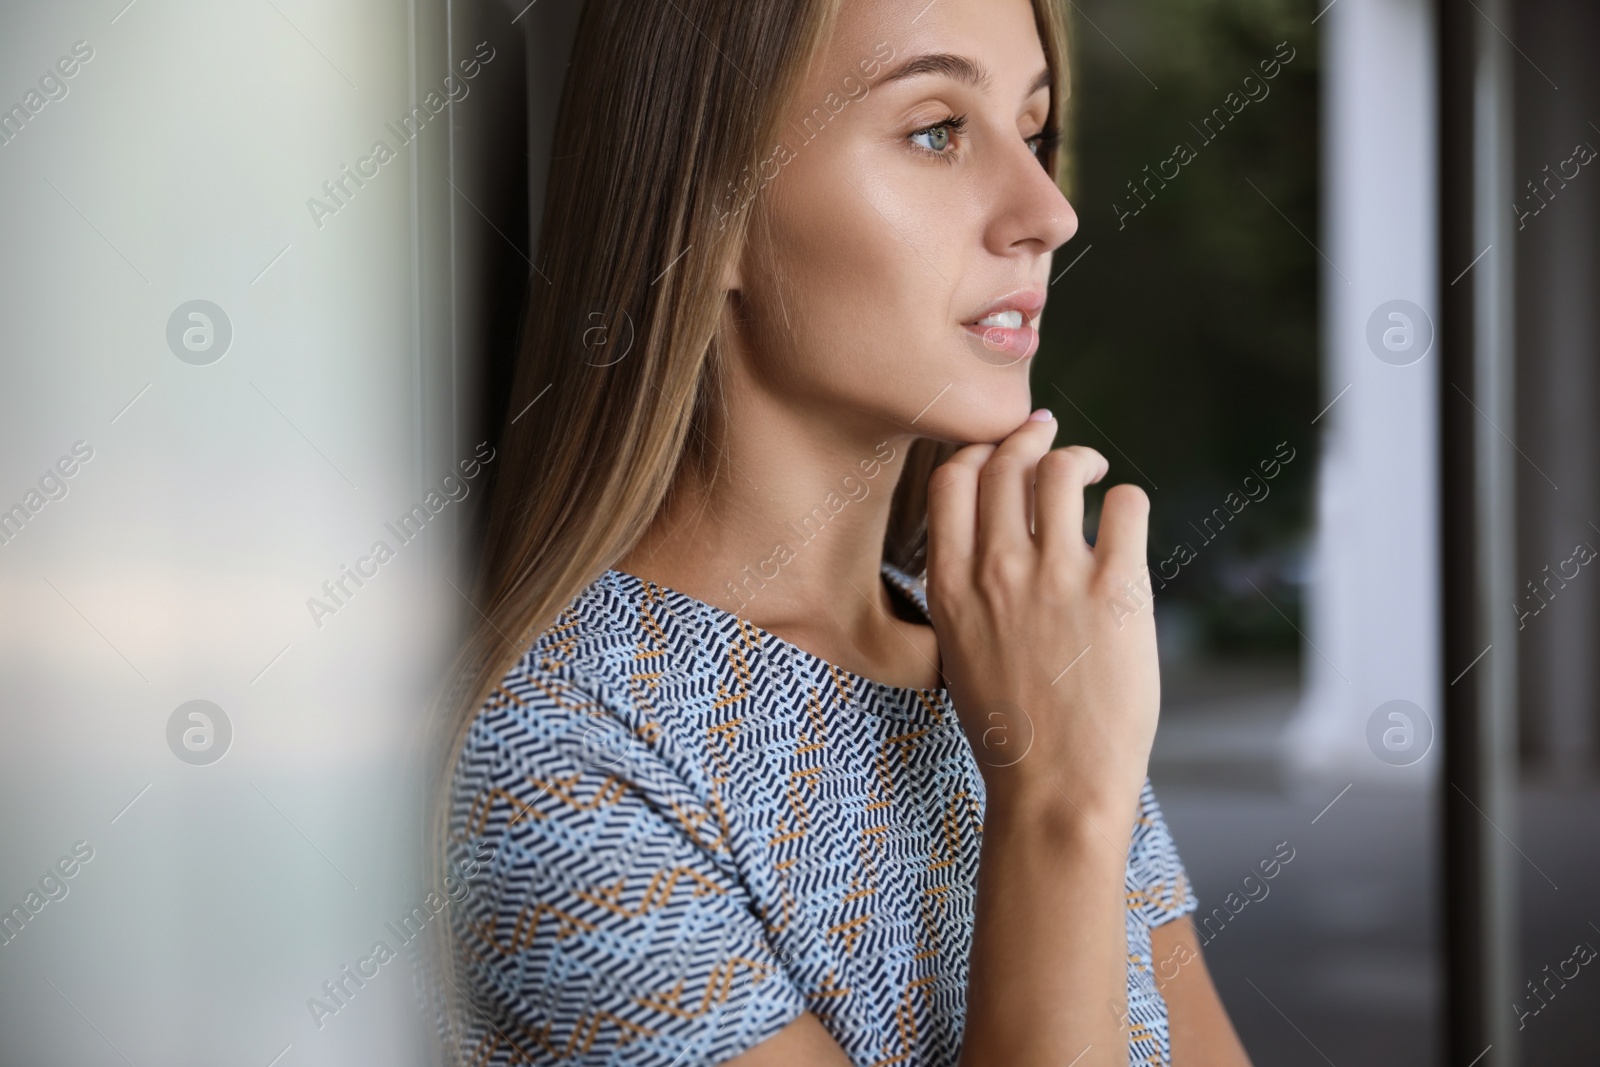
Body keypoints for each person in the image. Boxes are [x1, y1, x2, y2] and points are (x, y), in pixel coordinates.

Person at [429, 0, 1252, 1063]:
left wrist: (1070, 777)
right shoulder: (552, 761)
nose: (1047, 210)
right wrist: (1056, 806)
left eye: (1033, 131)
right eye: (936, 130)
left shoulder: (1021, 662)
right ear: (708, 209)